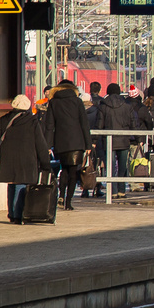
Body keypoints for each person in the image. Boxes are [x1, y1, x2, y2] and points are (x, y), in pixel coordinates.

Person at [0, 94, 51, 224]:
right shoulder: (33, 121)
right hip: (26, 158)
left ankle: (11, 213)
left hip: (9, 157)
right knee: (21, 185)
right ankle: (18, 215)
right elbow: (40, 144)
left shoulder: (5, 119)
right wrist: (45, 162)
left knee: (12, 184)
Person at [47, 78, 92, 211]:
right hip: (77, 141)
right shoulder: (77, 101)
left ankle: (61, 195)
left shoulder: (53, 103)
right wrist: (88, 145)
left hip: (60, 141)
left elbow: (49, 125)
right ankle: (68, 202)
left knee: (64, 169)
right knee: (73, 171)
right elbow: (84, 124)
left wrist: (48, 145)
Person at [97, 82, 134, 197]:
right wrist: (137, 138)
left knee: (111, 167)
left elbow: (99, 124)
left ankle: (112, 191)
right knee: (123, 167)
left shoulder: (103, 106)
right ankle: (121, 190)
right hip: (123, 139)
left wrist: (95, 139)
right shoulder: (127, 106)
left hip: (108, 141)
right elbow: (133, 122)